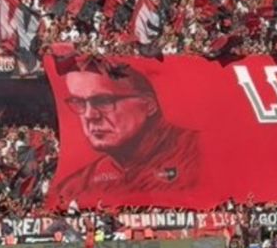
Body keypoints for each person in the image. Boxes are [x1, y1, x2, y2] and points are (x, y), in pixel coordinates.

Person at [53, 64, 201, 199]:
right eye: (79, 102)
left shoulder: (202, 153)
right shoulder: (74, 189)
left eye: (103, 101)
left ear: (149, 105)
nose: (89, 115)